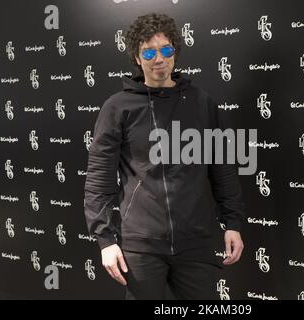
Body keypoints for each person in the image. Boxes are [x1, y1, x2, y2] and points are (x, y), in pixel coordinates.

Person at [84, 13, 245, 300]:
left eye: (166, 49)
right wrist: (105, 240)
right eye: (149, 51)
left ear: (175, 52)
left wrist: (232, 223)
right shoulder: (117, 108)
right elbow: (99, 177)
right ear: (137, 57)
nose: (159, 58)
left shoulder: (202, 102)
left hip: (196, 241)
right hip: (141, 246)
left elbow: (223, 168)